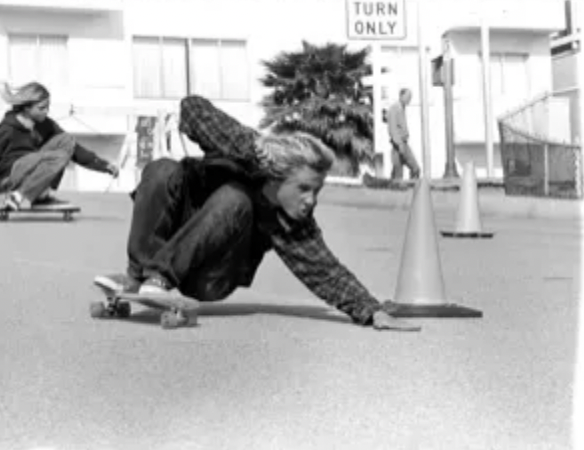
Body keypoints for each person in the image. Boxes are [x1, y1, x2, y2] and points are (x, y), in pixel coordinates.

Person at [94, 94, 419, 331]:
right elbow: (191, 108)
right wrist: (249, 148)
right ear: (277, 175)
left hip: (210, 277)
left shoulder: (290, 223)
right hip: (170, 246)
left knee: (236, 199)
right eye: (304, 188)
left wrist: (369, 310)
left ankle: (159, 278)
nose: (311, 201)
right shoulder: (248, 153)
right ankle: (140, 276)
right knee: (162, 169)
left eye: (317, 191)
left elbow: (326, 272)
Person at [0, 82, 119, 210]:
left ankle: (41, 195)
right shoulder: (7, 129)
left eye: (47, 107)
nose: (46, 111)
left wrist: (103, 165)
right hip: (11, 176)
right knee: (58, 157)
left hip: (31, 168)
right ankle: (18, 195)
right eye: (41, 108)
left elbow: (74, 148)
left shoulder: (45, 124)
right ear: (27, 108)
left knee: (66, 140)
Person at [387, 88, 420, 181]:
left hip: (404, 143)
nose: (410, 99)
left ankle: (412, 187)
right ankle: (395, 190)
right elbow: (393, 129)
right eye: (408, 97)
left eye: (410, 97)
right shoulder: (394, 109)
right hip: (398, 144)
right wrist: (399, 144)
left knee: (415, 169)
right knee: (399, 173)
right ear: (401, 96)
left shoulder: (402, 108)